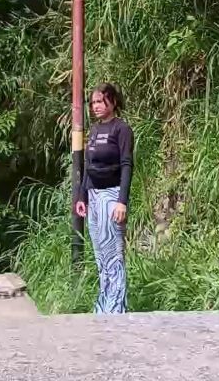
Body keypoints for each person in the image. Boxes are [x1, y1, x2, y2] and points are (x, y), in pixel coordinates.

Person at [76, 83, 134, 314]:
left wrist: (122, 201)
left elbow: (127, 165)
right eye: (93, 103)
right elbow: (88, 165)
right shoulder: (94, 130)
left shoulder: (122, 129)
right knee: (100, 255)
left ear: (113, 101)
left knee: (113, 255)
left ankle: (117, 308)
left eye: (100, 101)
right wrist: (82, 196)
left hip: (112, 195)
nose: (96, 106)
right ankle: (103, 307)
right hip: (93, 196)